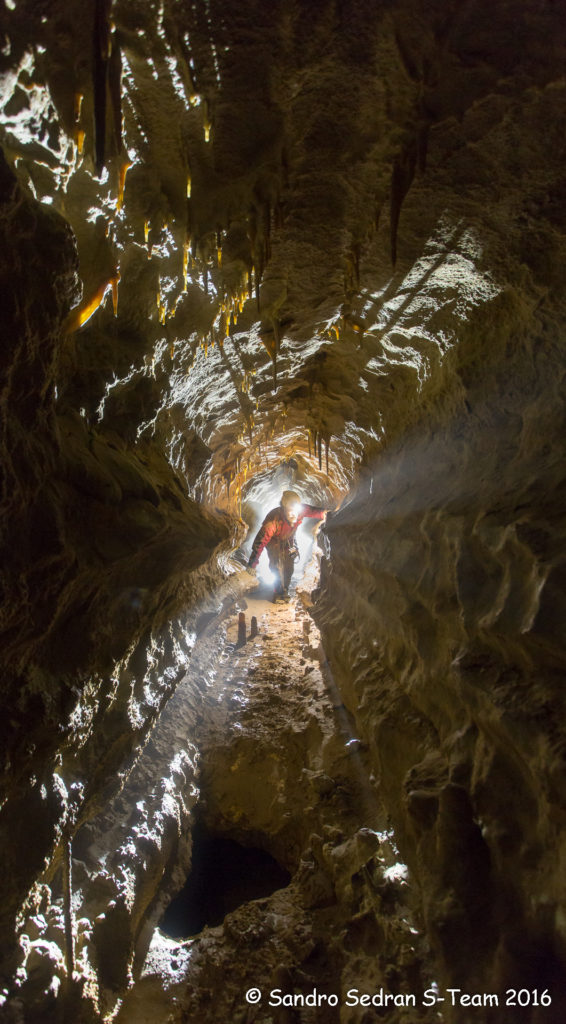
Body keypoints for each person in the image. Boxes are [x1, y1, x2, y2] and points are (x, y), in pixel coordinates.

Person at [248, 490, 326, 600]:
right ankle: (278, 592)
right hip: (273, 542)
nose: (294, 514)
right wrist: (253, 563)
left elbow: (314, 511)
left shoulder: (300, 510)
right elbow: (260, 541)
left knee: (289, 567)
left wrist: (326, 513)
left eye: (296, 510)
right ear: (284, 509)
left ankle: (285, 589)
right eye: (290, 511)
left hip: (289, 539)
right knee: (277, 566)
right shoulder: (273, 520)